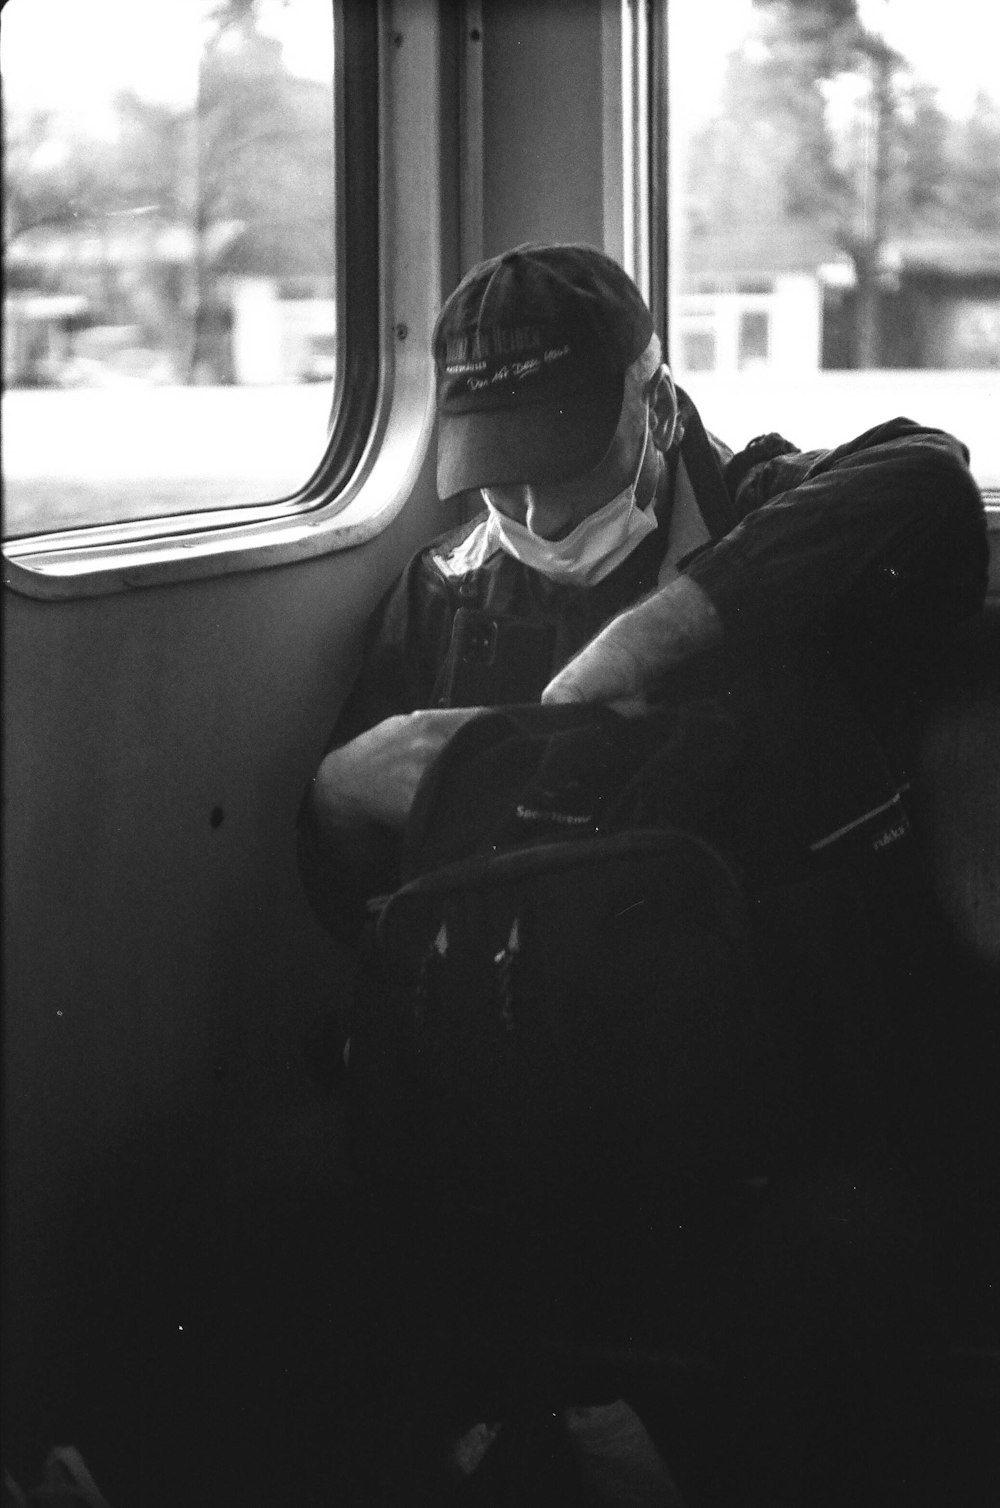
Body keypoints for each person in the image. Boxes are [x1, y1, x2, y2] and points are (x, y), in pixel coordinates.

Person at [298, 243, 988, 1503]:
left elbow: (927, 470)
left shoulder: (777, 516)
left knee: (831, 1275)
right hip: (545, 1077)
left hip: (790, 1081)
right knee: (326, 1225)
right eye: (496, 477)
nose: (532, 517)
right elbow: (363, 903)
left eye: (561, 467)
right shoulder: (447, 592)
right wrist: (341, 795)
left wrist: (644, 640)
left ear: (655, 404)